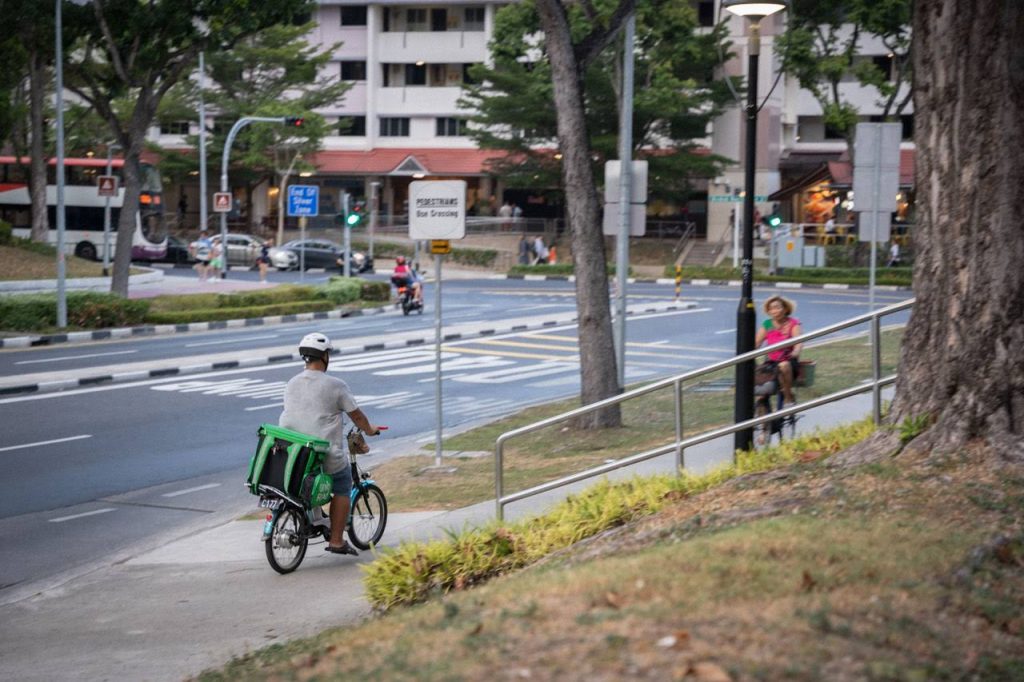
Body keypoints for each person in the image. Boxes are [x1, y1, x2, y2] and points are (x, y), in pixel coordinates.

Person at [279, 333, 384, 556]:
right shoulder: (336, 385)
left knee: (308, 477)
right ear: (325, 356)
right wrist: (370, 430)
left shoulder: (291, 383)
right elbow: (357, 417)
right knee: (343, 483)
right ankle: (336, 540)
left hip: (292, 451)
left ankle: (316, 516)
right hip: (320, 452)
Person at [755, 295, 803, 406]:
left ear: (785, 309)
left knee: (784, 366)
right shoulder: (767, 324)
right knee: (759, 375)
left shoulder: (793, 323)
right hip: (771, 362)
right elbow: (757, 343)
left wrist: (796, 351)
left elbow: (798, 342)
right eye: (771, 308)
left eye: (777, 307)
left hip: (789, 360)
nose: (774, 311)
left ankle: (788, 397)